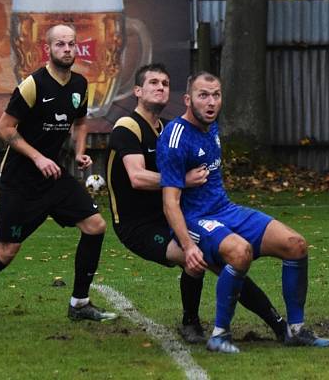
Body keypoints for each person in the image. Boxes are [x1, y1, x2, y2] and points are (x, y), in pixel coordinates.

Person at [0, 23, 117, 326]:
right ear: (47, 49)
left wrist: (79, 151)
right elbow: (4, 128)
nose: (67, 49)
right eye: (60, 44)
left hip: (53, 177)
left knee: (95, 226)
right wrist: (38, 157)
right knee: (6, 251)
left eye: (71, 44)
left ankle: (79, 303)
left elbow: (80, 122)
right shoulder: (33, 85)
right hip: (20, 182)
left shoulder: (80, 84)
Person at [106, 63, 287, 343]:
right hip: (137, 225)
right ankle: (269, 324)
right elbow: (137, 177)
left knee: (219, 257)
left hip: (170, 214)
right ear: (138, 91)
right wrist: (182, 180)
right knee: (202, 261)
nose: (160, 88)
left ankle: (271, 326)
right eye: (153, 83)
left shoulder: (167, 129)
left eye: (165, 83)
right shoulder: (127, 127)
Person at [157, 72, 329, 354]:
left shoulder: (211, 127)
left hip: (226, 210)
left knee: (296, 245)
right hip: (195, 219)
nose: (211, 102)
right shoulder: (176, 136)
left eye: (216, 95)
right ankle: (219, 335)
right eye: (203, 95)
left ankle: (296, 331)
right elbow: (170, 203)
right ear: (188, 100)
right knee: (240, 253)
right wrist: (188, 246)